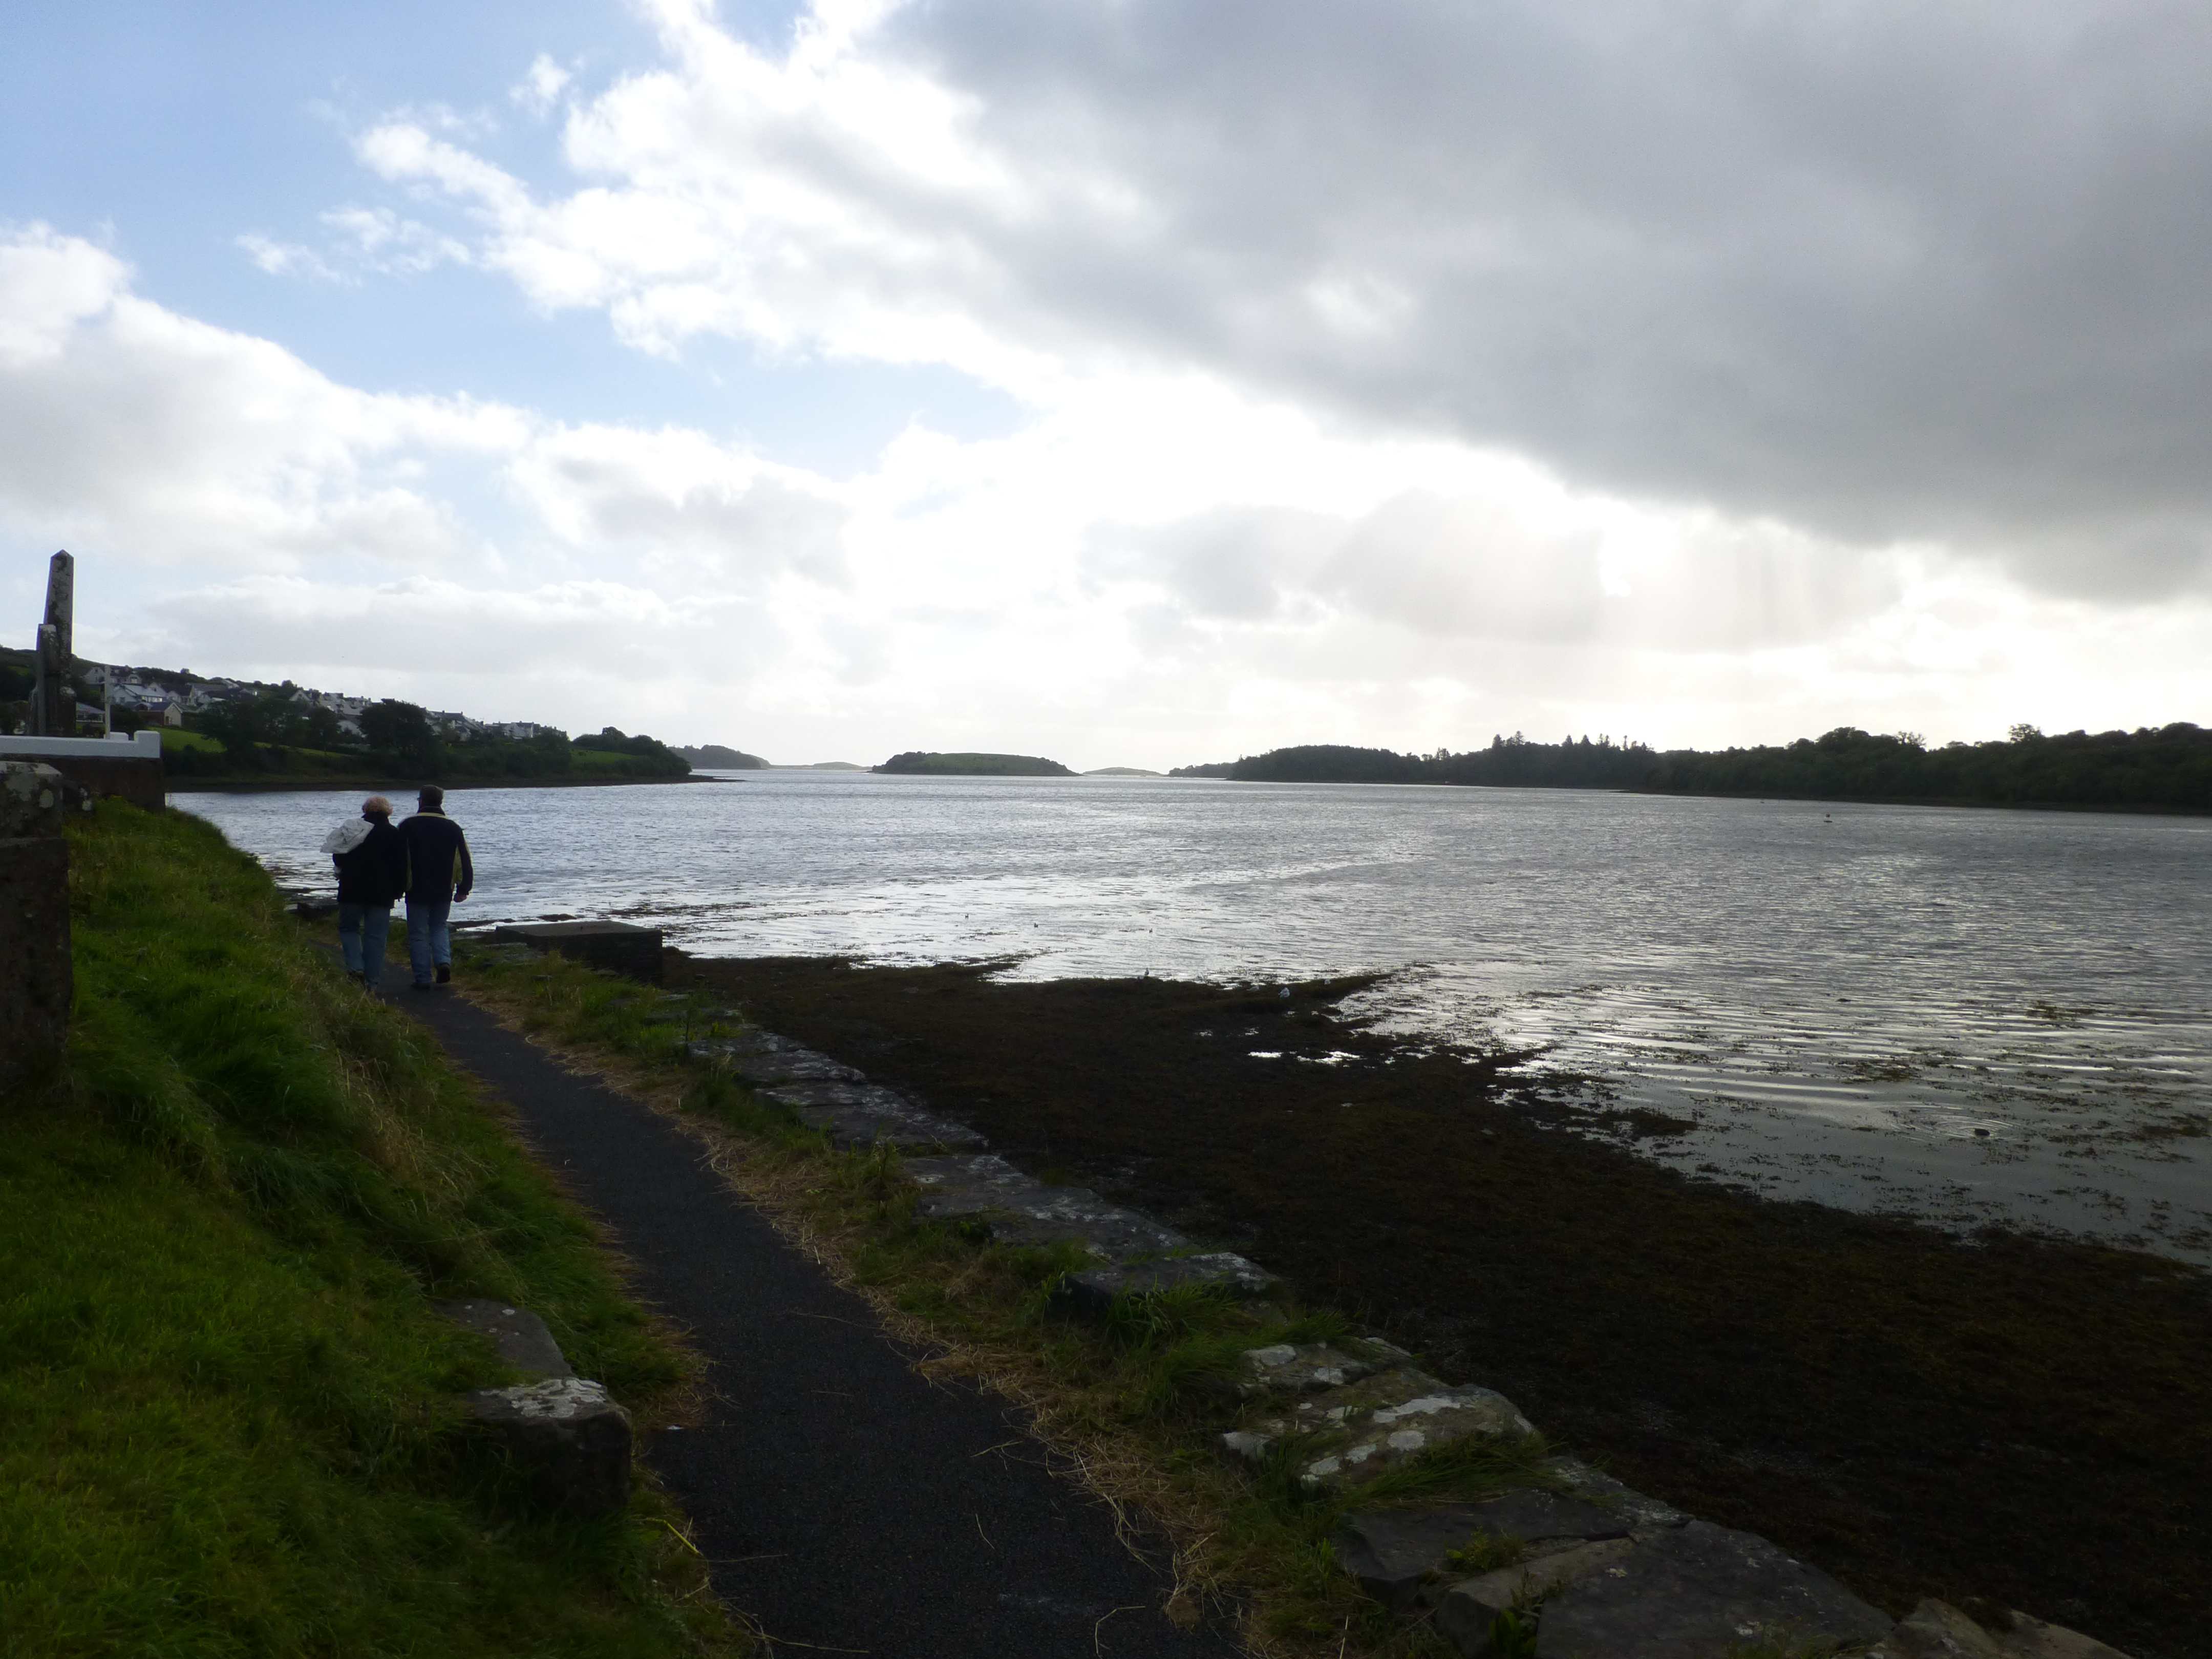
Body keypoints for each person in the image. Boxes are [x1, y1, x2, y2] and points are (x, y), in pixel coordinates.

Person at [396, 784, 474, 990]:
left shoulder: (408, 826)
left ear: (421, 801)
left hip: (416, 888)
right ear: (441, 802)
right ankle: (443, 962)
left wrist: (396, 887)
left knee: (418, 933)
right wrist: (464, 888)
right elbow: (465, 859)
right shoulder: (453, 827)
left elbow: (397, 859)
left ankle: (422, 979)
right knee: (439, 927)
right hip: (444, 888)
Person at [328, 795, 408, 991]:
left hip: (352, 888)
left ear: (366, 810)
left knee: (348, 928)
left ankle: (355, 965)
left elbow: (338, 857)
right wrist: (399, 890)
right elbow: (402, 867)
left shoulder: (353, 830)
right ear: (388, 811)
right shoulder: (394, 834)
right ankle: (371, 983)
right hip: (383, 892)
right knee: (376, 936)